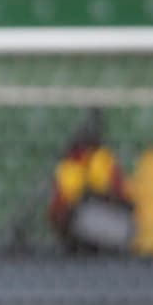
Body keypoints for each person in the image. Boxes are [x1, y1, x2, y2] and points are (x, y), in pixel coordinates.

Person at [47, 109, 135, 255]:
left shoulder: (102, 160)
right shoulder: (70, 166)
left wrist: (97, 195)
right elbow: (57, 209)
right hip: (82, 225)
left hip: (112, 221)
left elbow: (126, 201)